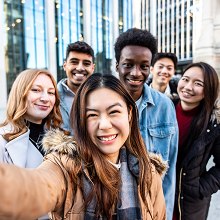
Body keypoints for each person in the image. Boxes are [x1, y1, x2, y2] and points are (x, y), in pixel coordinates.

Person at [0, 73, 167, 220]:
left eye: (114, 112)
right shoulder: (65, 166)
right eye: (92, 115)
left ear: (129, 113)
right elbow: (34, 187)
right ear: (81, 121)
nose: (104, 125)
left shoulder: (149, 174)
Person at [115, 28, 178, 220]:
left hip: (152, 210)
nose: (136, 73)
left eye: (144, 66)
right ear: (117, 65)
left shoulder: (165, 105)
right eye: (128, 64)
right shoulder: (103, 102)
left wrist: (163, 214)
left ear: (150, 68)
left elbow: (170, 170)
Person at [0, 69, 66, 220]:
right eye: (36, 90)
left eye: (51, 93)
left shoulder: (63, 140)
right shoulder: (2, 140)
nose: (45, 98)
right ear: (20, 93)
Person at [173, 62, 220, 220]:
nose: (188, 87)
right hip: (159, 196)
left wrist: (201, 188)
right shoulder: (164, 110)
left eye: (198, 83)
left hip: (189, 204)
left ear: (208, 90)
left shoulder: (213, 124)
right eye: (185, 79)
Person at [57, 41, 95, 132]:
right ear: (65, 65)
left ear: (92, 68)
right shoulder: (51, 98)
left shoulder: (102, 96)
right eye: (74, 62)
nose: (80, 68)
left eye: (86, 63)